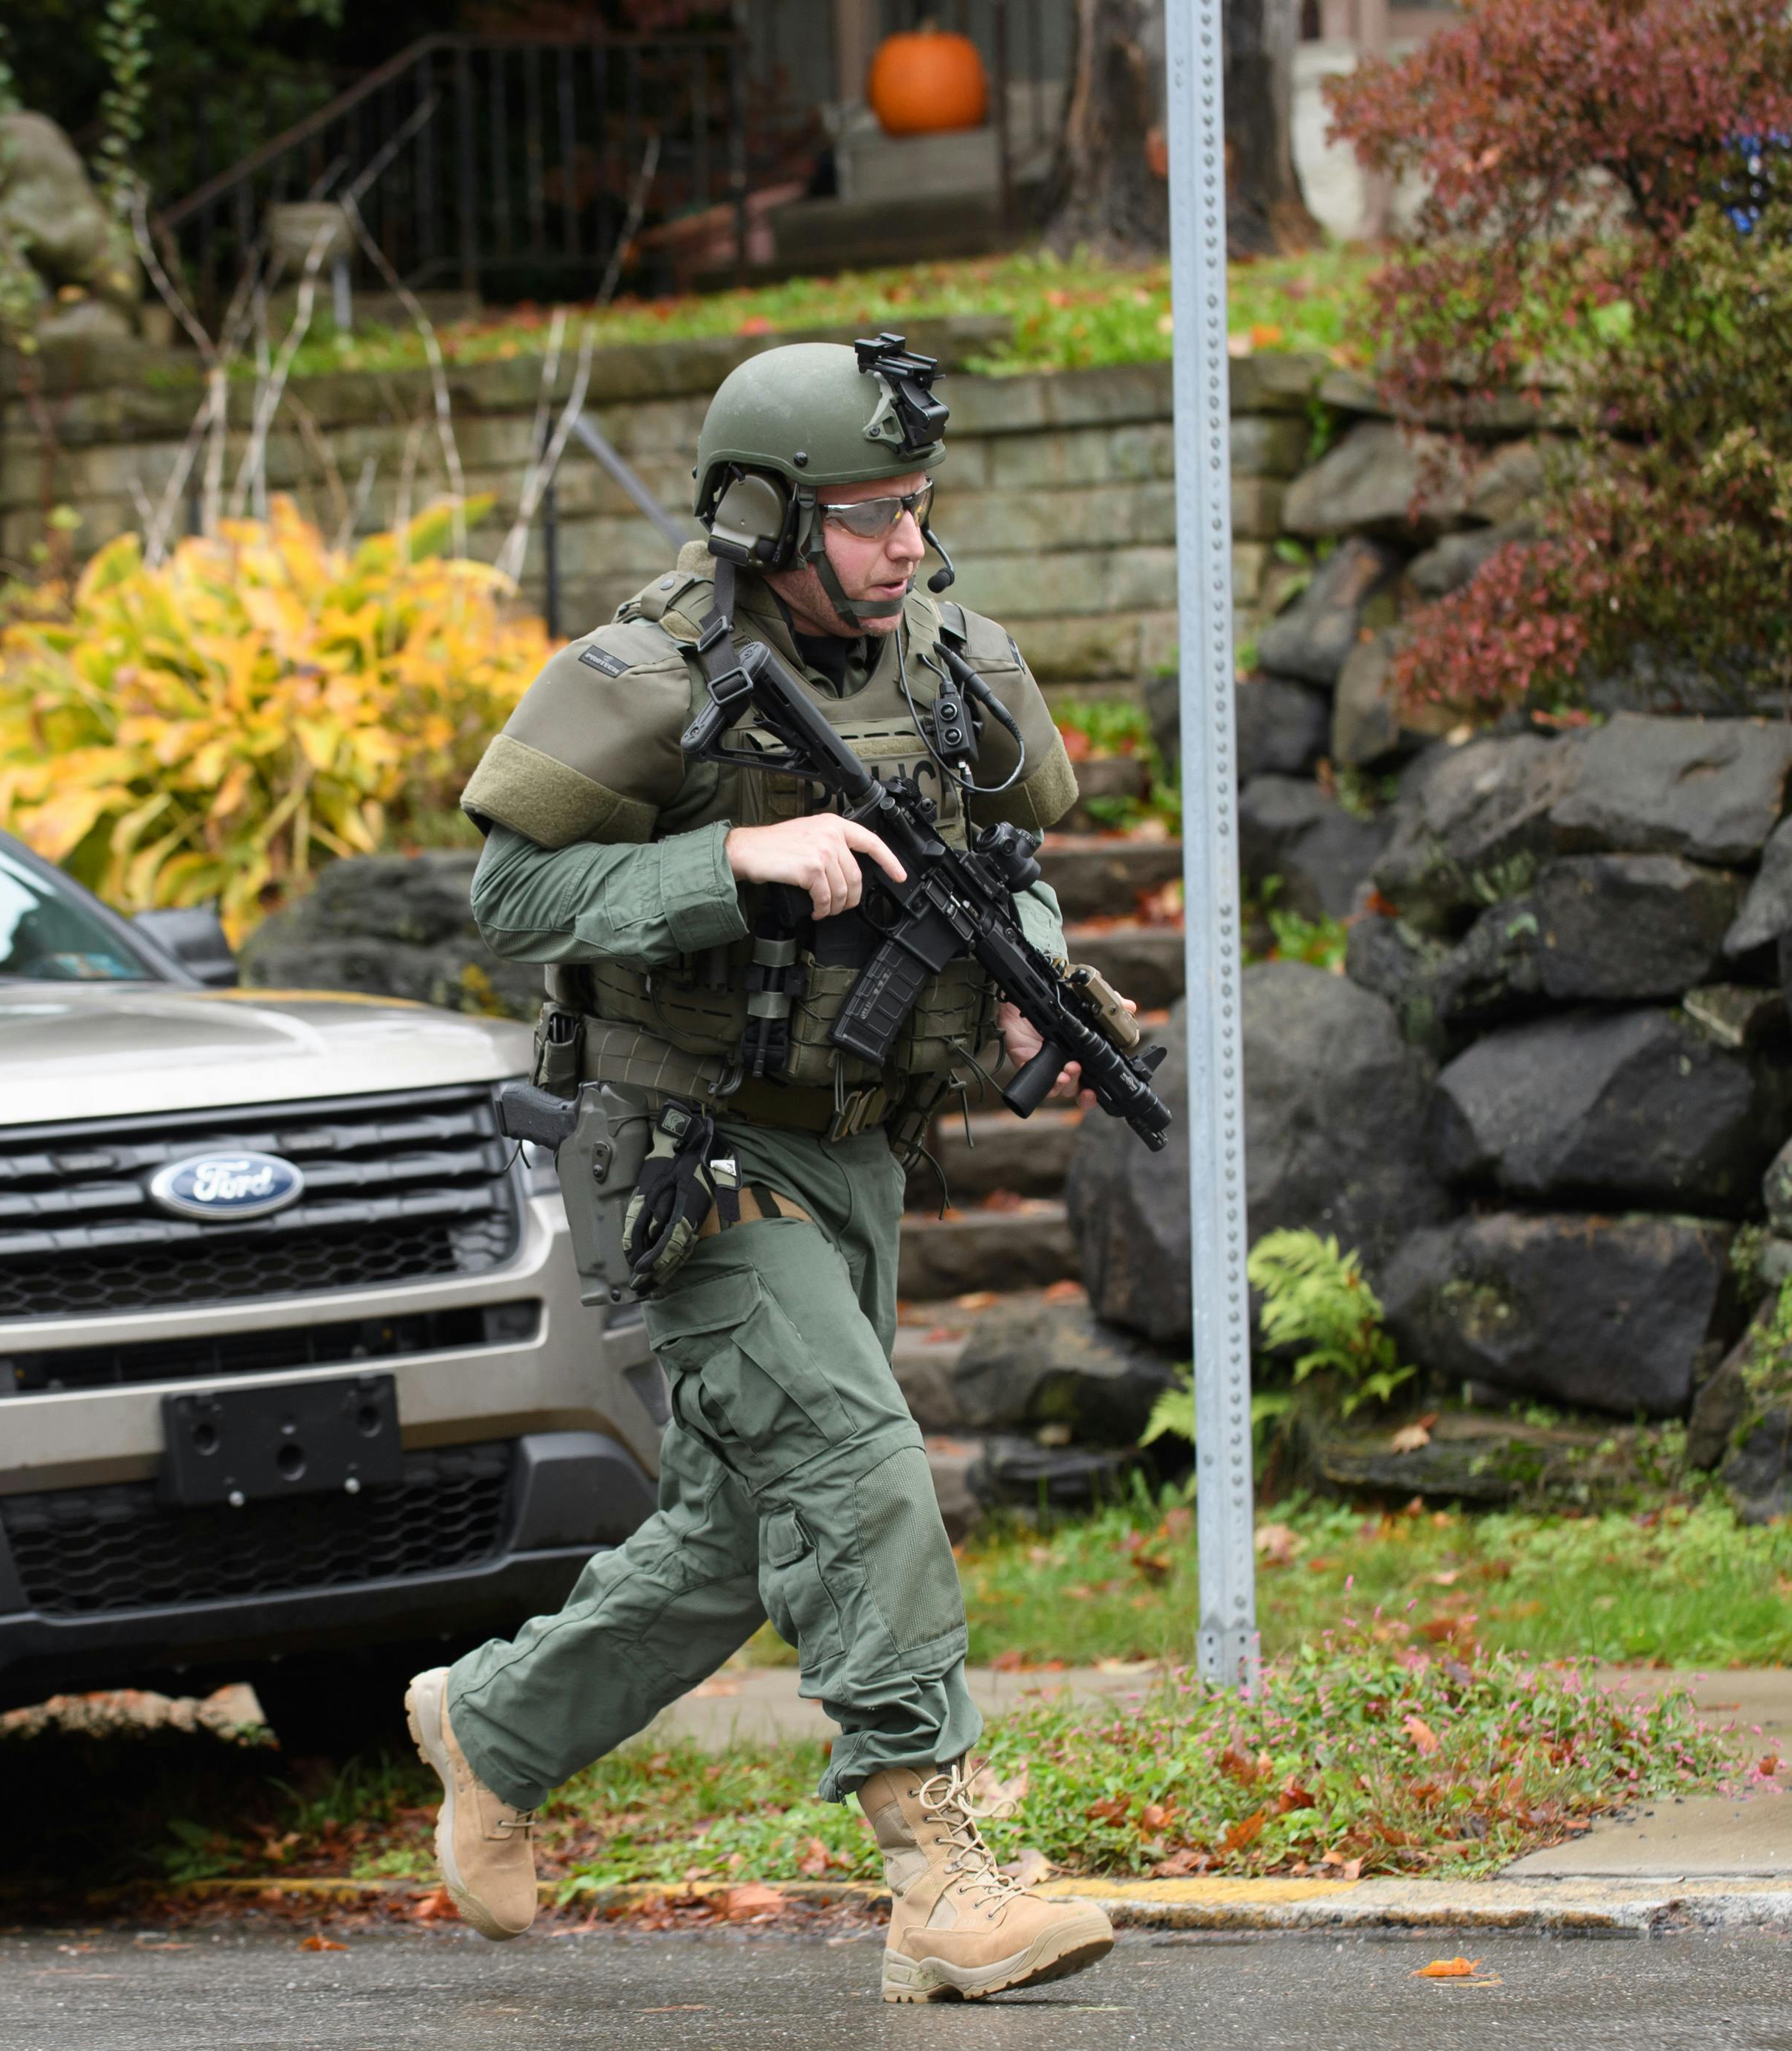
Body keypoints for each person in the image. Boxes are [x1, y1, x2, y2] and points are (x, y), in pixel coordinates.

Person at [401, 337, 1119, 2004]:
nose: (906, 544)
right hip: (690, 1152)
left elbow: (1007, 857)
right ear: (762, 516)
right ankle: (938, 1876)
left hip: (857, 1149)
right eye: (867, 515)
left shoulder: (954, 659)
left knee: (738, 1536)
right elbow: (510, 898)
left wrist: (1040, 979)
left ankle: (495, 1728)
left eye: (918, 505)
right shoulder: (645, 674)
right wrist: (726, 858)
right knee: (862, 1468)